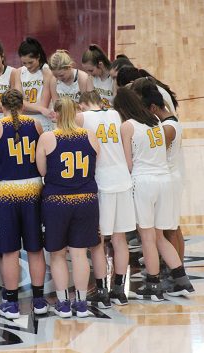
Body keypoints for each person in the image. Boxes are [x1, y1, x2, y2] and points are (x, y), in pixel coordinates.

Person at [114, 88, 194, 300]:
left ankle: (153, 285)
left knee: (148, 237)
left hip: (144, 181)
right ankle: (182, 279)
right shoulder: (156, 122)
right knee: (159, 236)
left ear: (121, 109)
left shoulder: (127, 126)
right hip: (164, 180)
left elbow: (128, 163)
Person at [0, 88, 47, 319]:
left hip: (6, 190)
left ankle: (11, 302)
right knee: (35, 248)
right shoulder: (36, 125)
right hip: (33, 188)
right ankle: (39, 300)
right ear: (23, 105)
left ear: (2, 106)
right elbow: (41, 161)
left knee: (9, 250)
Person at [36, 96, 100, 318]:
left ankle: (63, 304)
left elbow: (42, 172)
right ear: (75, 113)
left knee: (57, 255)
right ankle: (81, 304)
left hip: (57, 201)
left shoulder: (47, 137)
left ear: (55, 114)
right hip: (86, 199)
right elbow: (96, 163)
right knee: (80, 254)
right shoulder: (90, 135)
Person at [77, 91, 135, 307]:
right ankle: (119, 290)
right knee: (120, 240)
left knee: (97, 242)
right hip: (122, 179)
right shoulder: (116, 115)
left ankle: (101, 291)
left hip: (102, 181)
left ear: (82, 104)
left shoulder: (82, 118)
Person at [131, 78, 185, 262]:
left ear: (153, 108)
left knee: (171, 230)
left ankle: (176, 272)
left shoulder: (167, 128)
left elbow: (152, 154)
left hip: (170, 178)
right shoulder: (167, 122)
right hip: (167, 177)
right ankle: (169, 266)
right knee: (168, 228)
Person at [14, 37, 53, 132]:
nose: (28, 66)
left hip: (43, 121)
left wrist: (28, 107)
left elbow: (44, 105)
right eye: (24, 63)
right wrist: (39, 109)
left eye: (31, 62)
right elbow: (18, 102)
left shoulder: (47, 72)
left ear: (38, 57)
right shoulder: (19, 72)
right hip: (24, 120)